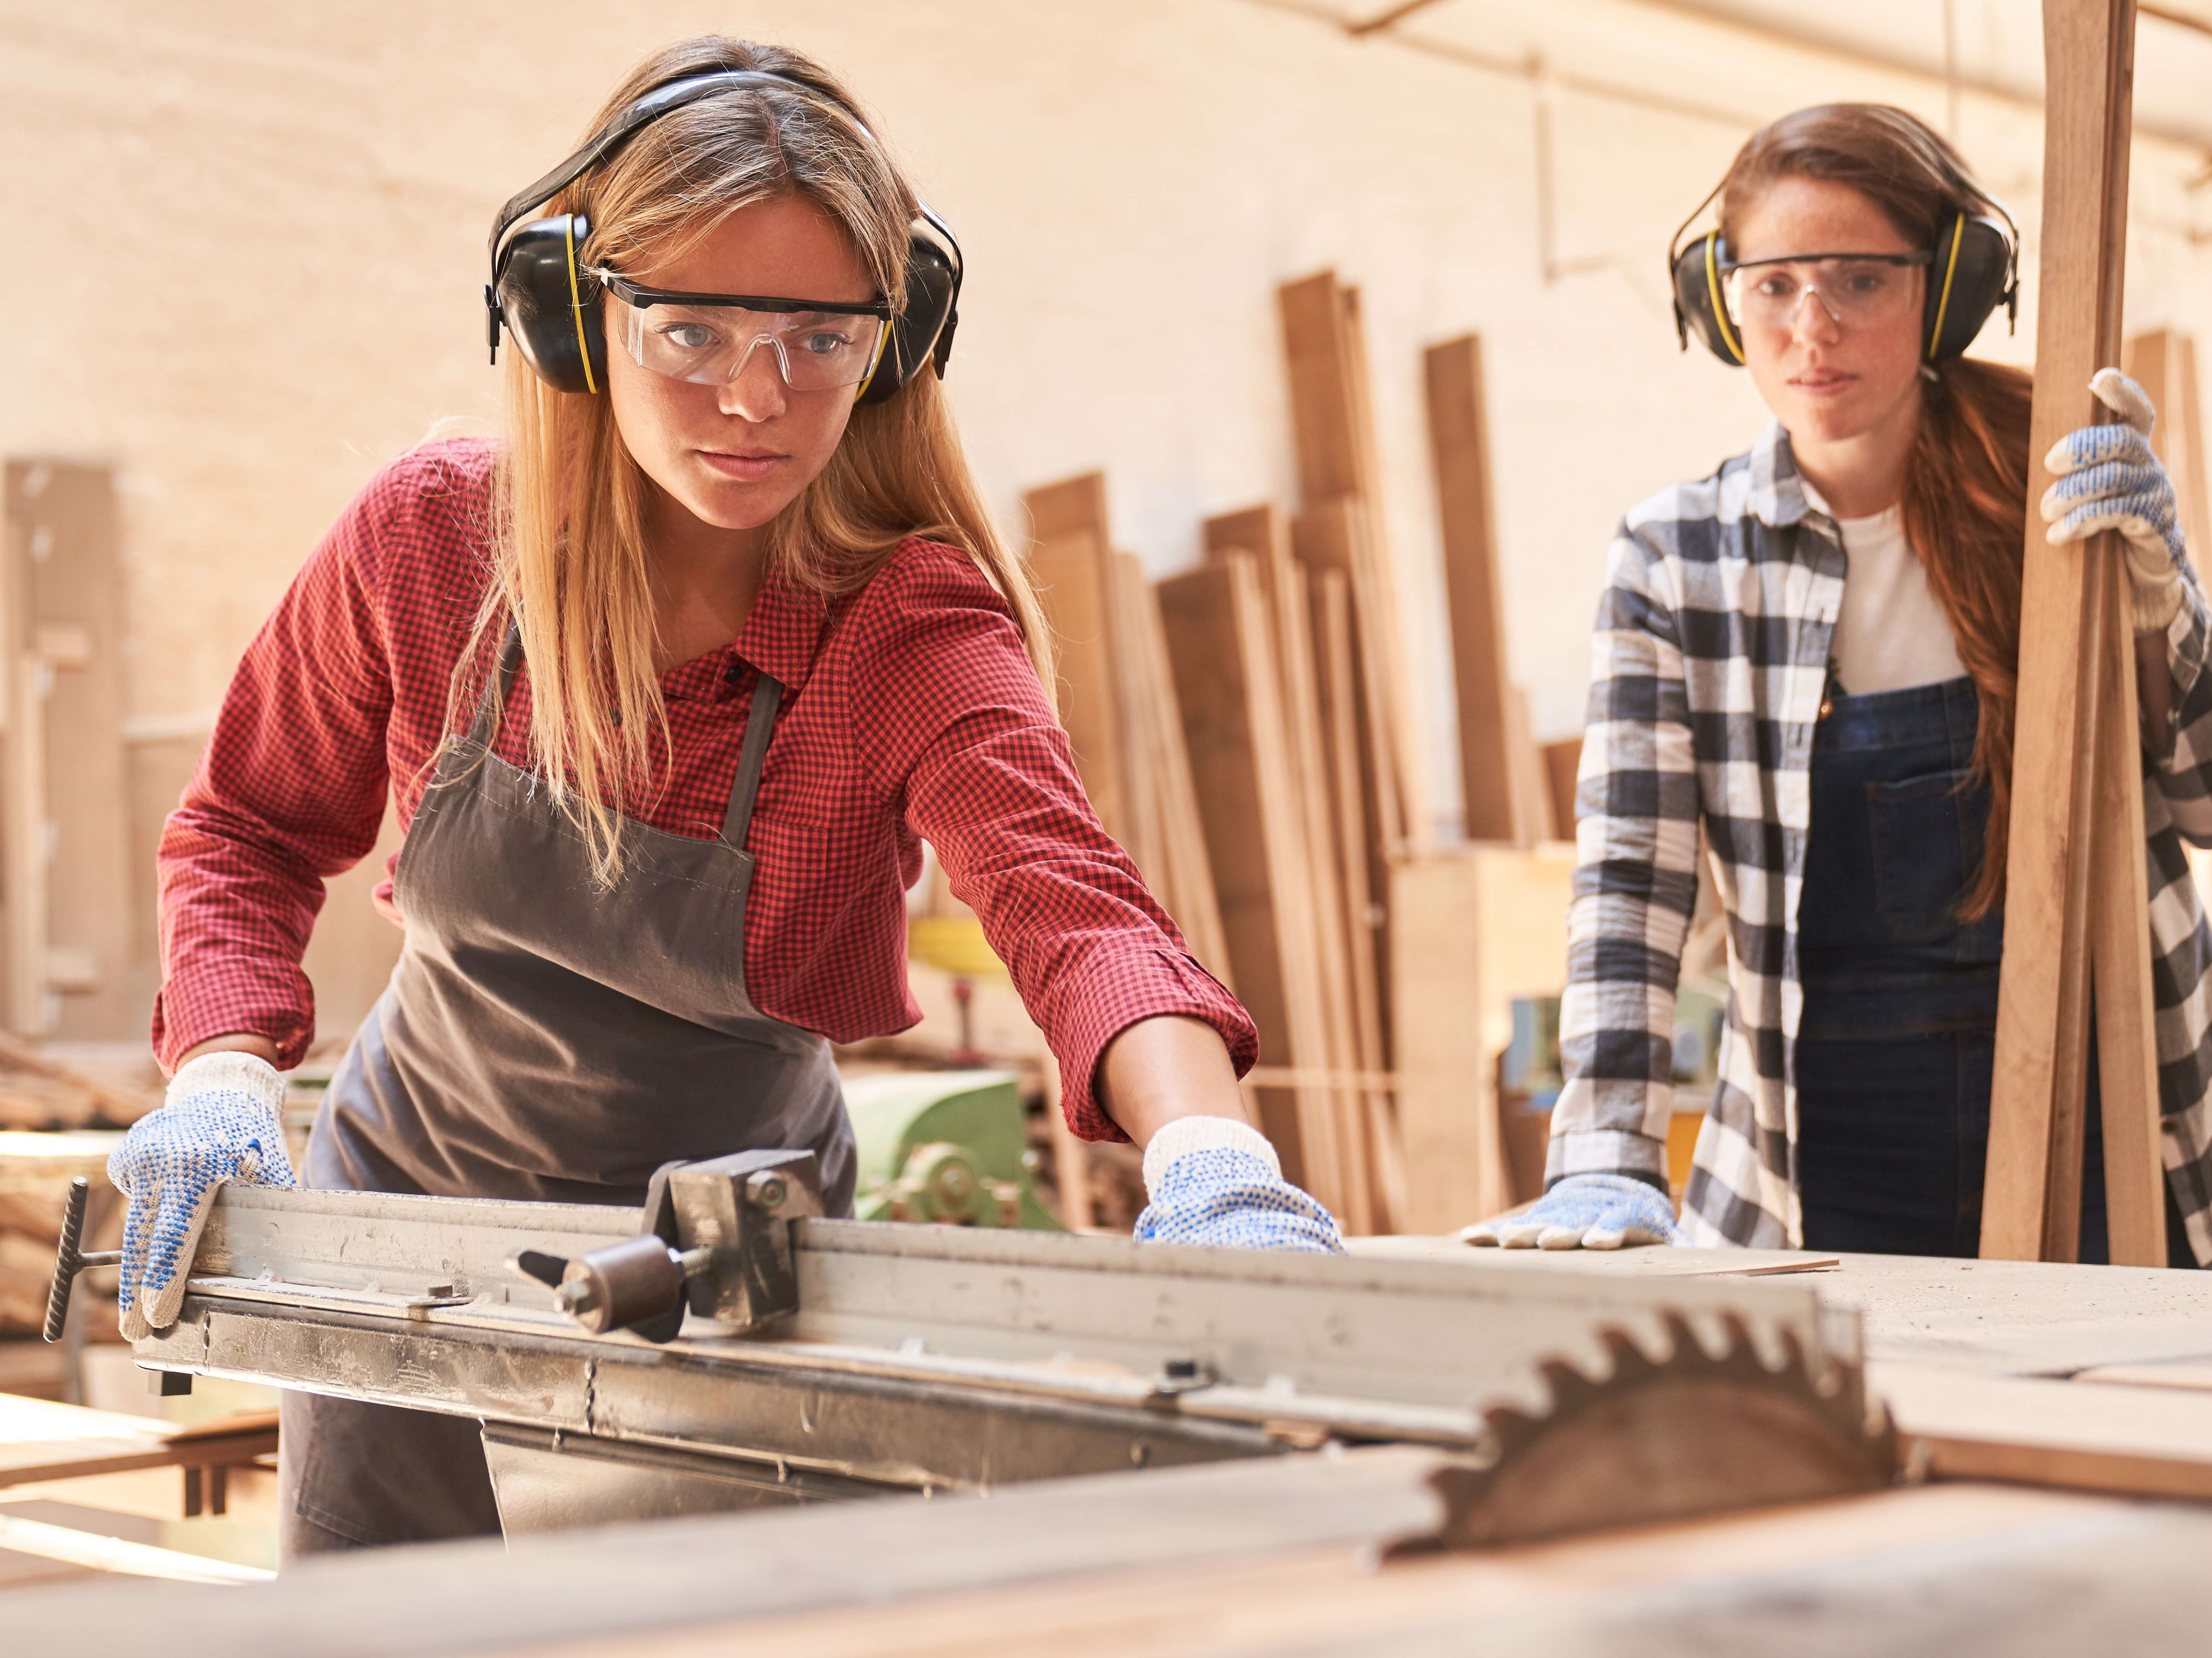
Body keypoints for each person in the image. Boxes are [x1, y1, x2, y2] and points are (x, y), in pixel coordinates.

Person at [113, 37, 1341, 1557]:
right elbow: (246, 826)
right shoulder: (431, 546)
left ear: (894, 346)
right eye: (690, 331)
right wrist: (221, 1072)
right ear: (575, 318)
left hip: (732, 1263)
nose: (755, 401)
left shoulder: (906, 628)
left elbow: (1073, 910)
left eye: (820, 341)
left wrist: (1212, 1160)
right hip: (407, 1235)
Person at [1471, 104, 2212, 1271]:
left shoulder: (2058, 494)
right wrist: (1605, 1145)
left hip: (2109, 1098)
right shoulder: (1677, 559)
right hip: (1829, 1141)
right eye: (1774, 288)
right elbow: (1630, 881)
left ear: (1949, 291)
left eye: (1861, 281)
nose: (1812, 328)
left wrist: (2162, 597)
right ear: (1722, 307)